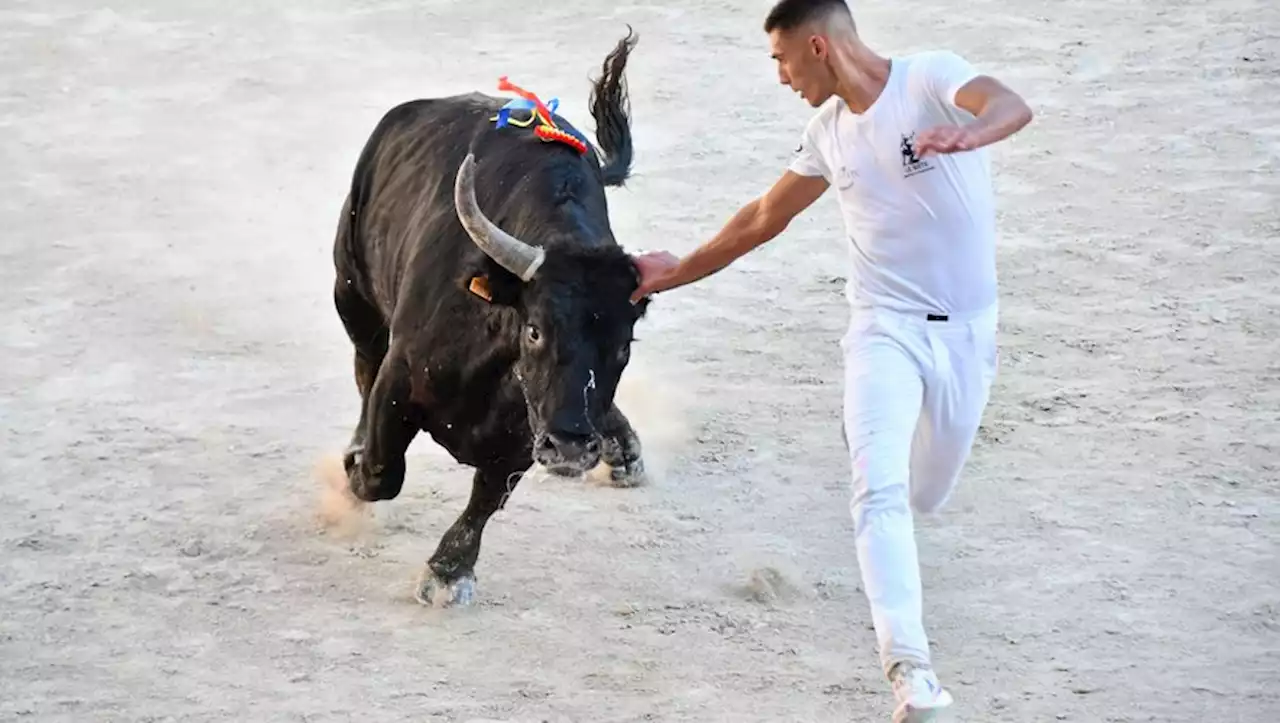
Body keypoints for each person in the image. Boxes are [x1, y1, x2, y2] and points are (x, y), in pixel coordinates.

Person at [630, 0, 1033, 720]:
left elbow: (1009, 103)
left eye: (781, 60)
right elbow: (761, 218)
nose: (782, 77)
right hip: (882, 329)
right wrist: (673, 271)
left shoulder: (929, 79)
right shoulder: (827, 134)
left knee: (926, 494)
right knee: (875, 490)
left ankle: (896, 488)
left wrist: (971, 133)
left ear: (816, 46)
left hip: (968, 334)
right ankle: (912, 673)